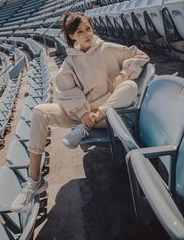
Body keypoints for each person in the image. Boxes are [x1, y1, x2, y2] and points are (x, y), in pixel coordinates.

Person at [11, 11, 149, 212]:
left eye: (88, 29)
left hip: (109, 112)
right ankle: (34, 181)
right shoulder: (71, 61)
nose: (87, 34)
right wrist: (82, 113)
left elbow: (140, 55)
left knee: (129, 87)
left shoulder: (107, 48)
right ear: (72, 36)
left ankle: (85, 126)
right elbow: (65, 89)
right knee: (40, 111)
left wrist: (123, 72)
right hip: (83, 113)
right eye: (80, 32)